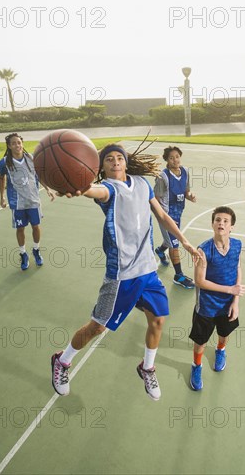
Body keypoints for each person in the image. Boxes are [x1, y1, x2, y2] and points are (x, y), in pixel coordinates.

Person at [51, 142, 201, 401]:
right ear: (102, 167)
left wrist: (184, 241)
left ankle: (147, 367)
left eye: (119, 157)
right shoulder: (109, 189)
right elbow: (92, 190)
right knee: (97, 326)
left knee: (158, 320)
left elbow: (163, 215)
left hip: (148, 269)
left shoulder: (142, 184)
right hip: (122, 274)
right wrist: (78, 187)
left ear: (126, 161)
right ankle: (62, 361)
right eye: (109, 159)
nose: (116, 162)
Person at [189, 206, 245, 391]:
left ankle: (220, 351)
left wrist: (235, 301)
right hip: (206, 306)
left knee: (224, 334)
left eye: (225, 221)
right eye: (218, 220)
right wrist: (229, 289)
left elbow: (238, 269)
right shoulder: (203, 250)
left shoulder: (237, 245)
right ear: (213, 224)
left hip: (228, 304)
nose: (221, 223)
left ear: (232, 227)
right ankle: (197, 366)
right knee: (200, 342)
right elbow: (199, 281)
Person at [0, 132, 55, 270]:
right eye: (13, 143)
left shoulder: (31, 158)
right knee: (20, 228)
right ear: (9, 146)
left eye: (18, 142)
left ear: (22, 143)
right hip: (17, 202)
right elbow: (2, 178)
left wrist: (47, 189)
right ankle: (23, 253)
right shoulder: (5, 162)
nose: (17, 145)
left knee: (36, 226)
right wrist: (2, 197)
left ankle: (36, 250)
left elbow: (39, 175)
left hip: (33, 200)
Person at [154, 145, 196, 289]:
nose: (175, 160)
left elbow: (186, 191)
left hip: (178, 213)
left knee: (171, 241)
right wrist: (162, 217)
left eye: (177, 157)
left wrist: (190, 196)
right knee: (175, 244)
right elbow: (156, 199)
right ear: (166, 160)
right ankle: (178, 275)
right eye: (171, 158)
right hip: (166, 216)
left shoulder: (185, 172)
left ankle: (160, 250)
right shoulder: (162, 177)